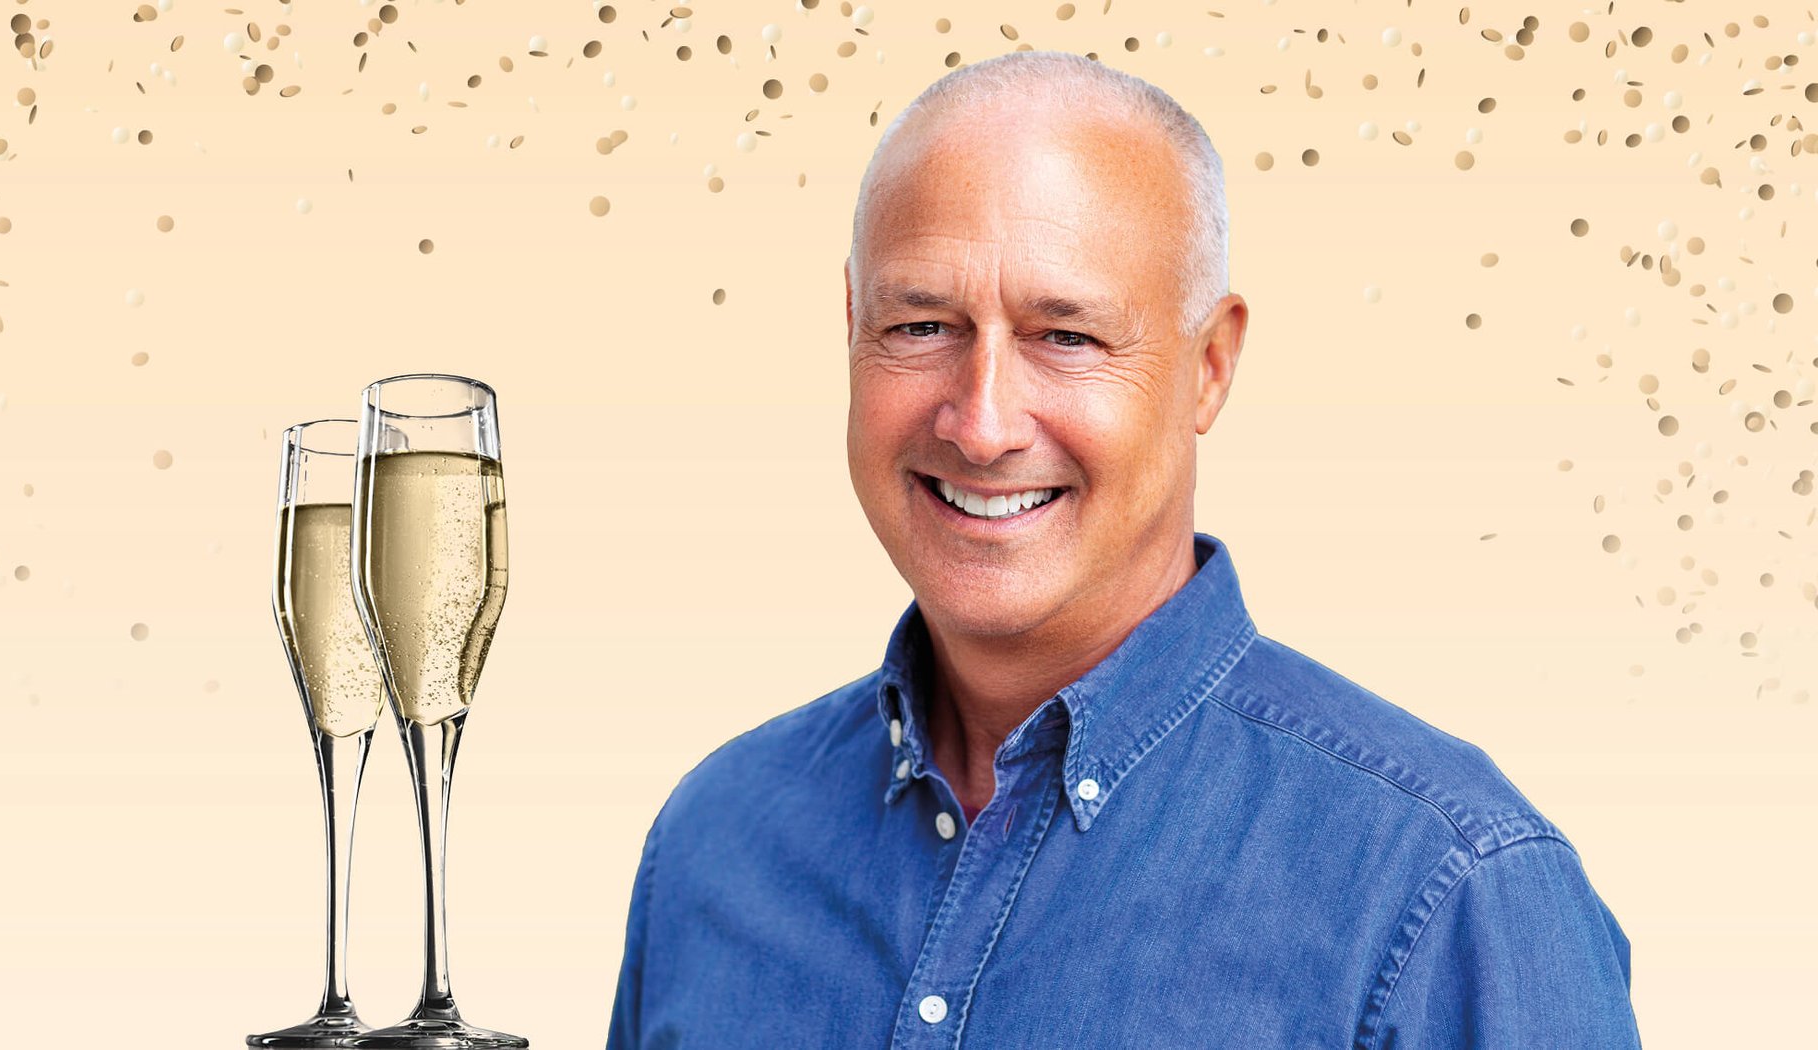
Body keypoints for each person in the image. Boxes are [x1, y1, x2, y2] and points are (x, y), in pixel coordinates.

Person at [606, 50, 1641, 1048]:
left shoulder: (1451, 893)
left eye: (1067, 337)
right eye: (921, 325)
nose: (980, 423)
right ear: (848, 325)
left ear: (1208, 367)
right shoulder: (711, 844)